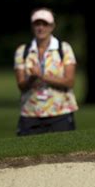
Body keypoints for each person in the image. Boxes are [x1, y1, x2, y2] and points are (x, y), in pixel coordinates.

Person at [14, 8, 78, 136]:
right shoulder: (23, 51)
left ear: (52, 26)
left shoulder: (64, 48)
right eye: (37, 24)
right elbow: (21, 85)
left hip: (60, 112)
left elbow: (69, 82)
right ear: (32, 26)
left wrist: (41, 76)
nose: (41, 28)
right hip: (30, 112)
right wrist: (31, 78)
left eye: (45, 24)